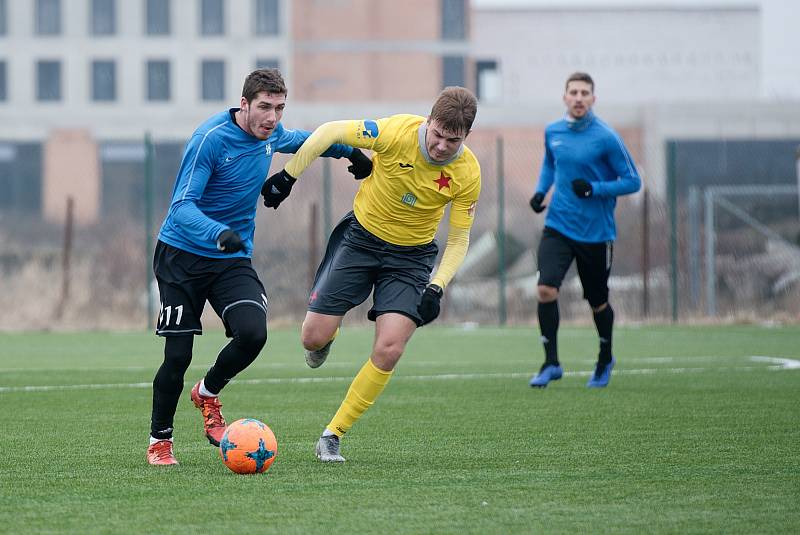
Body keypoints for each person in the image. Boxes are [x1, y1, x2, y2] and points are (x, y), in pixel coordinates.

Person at [146, 68, 372, 465]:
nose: (272, 117)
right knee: (178, 356)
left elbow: (311, 141)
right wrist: (218, 232)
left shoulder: (272, 136)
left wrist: (353, 153)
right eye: (265, 107)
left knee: (253, 334)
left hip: (229, 259)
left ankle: (208, 392)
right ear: (245, 104)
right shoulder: (210, 140)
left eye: (280, 108)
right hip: (181, 257)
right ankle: (160, 441)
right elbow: (181, 208)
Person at [261, 86, 481, 462]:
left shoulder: (467, 173)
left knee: (390, 347)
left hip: (410, 260)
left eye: (453, 140)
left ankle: (333, 434)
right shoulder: (394, 132)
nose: (442, 146)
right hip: (361, 239)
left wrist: (436, 287)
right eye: (438, 135)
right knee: (312, 339)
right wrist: (288, 176)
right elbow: (330, 132)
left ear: (466, 137)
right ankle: (325, 337)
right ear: (428, 122)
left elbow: (459, 239)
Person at [527, 72, 641, 389]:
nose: (578, 98)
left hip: (596, 233)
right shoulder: (554, 131)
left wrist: (594, 189)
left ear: (593, 99)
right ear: (564, 97)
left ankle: (605, 358)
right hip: (558, 225)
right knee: (545, 289)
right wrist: (541, 192)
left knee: (597, 301)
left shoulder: (606, 137)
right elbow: (551, 164)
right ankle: (551, 363)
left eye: (584, 93)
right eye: (573, 92)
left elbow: (633, 181)